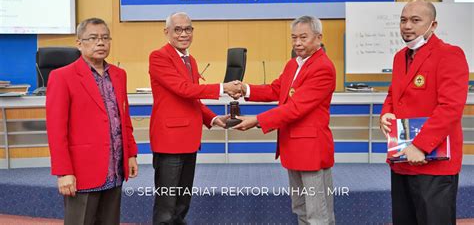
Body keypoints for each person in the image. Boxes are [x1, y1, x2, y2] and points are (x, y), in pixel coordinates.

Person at [233, 15, 336, 225]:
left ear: (318, 37)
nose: (297, 43)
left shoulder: (323, 67)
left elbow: (296, 108)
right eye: (294, 37)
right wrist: (246, 89)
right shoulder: (293, 64)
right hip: (293, 147)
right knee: (301, 208)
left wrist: (257, 120)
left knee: (318, 213)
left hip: (311, 150)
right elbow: (276, 89)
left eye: (303, 37)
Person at [379, 0, 469, 225]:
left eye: (415, 20)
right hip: (402, 159)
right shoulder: (400, 57)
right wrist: (385, 114)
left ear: (433, 25)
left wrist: (420, 145)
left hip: (434, 162)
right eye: (403, 20)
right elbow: (394, 95)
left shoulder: (450, 54)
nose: (407, 26)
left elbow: (451, 107)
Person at [149, 11, 241, 224]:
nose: (183, 34)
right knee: (166, 207)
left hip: (189, 140)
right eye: (178, 29)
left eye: (188, 29)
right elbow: (184, 89)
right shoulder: (159, 56)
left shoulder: (191, 60)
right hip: (169, 141)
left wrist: (212, 119)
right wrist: (222, 88)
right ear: (167, 32)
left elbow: (193, 99)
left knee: (182, 203)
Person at [46, 18, 138, 225]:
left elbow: (123, 118)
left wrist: (130, 154)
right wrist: (63, 171)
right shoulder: (62, 77)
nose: (101, 43)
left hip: (114, 169)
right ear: (79, 43)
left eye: (105, 38)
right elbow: (56, 130)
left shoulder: (119, 74)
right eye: (93, 38)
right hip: (82, 171)